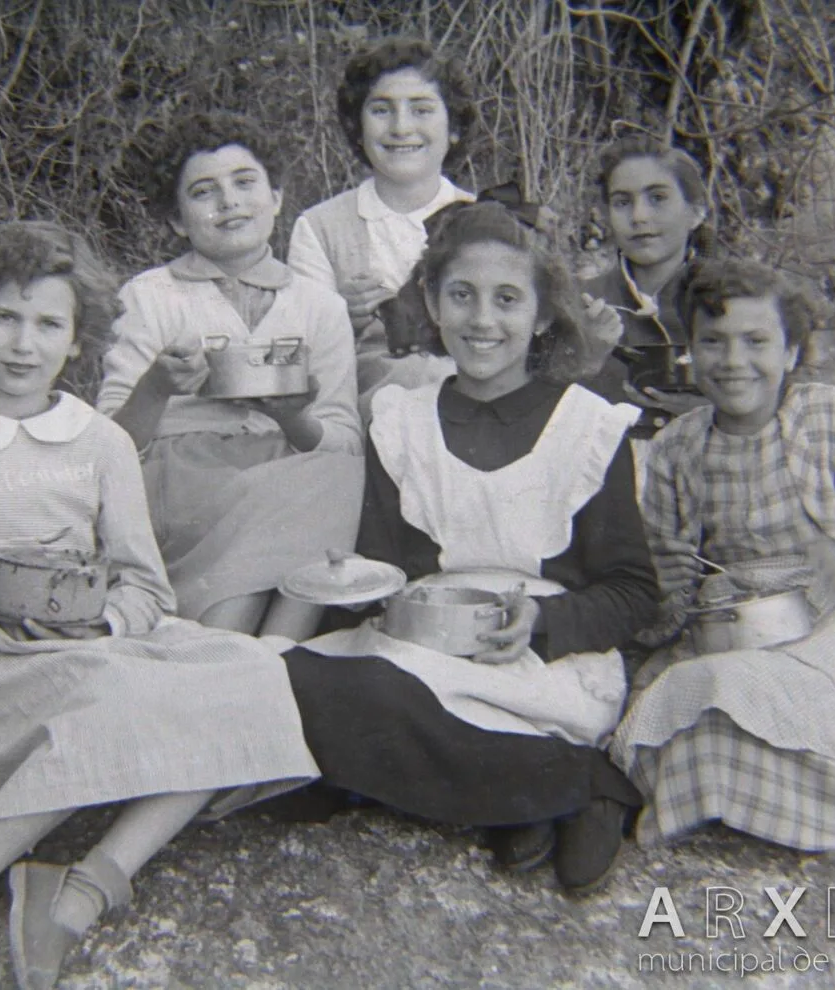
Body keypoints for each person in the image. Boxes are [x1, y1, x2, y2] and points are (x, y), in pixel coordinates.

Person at [0, 221, 319, 990]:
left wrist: (104, 621)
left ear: (77, 338)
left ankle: (78, 894)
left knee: (252, 671)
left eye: (49, 324)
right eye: (5, 318)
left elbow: (144, 586)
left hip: (77, 638)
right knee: (112, 688)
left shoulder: (99, 443)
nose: (24, 344)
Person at [282, 202, 661, 894]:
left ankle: (577, 781)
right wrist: (353, 593)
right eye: (461, 296)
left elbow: (633, 592)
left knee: (357, 711)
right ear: (431, 302)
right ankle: (524, 791)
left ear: (543, 315)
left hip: (540, 663)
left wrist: (542, 623)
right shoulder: (401, 422)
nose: (482, 321)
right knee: (293, 678)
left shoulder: (588, 428)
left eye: (508, 300)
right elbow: (380, 571)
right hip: (424, 652)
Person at [611, 259, 835, 864]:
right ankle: (749, 790)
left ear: (790, 353)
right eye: (714, 343)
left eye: (756, 342)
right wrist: (668, 582)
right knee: (682, 701)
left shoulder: (830, 416)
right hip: (736, 630)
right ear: (691, 352)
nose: (734, 361)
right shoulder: (678, 447)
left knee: (803, 724)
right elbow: (660, 587)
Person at [96, 112, 362, 641]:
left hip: (287, 473)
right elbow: (108, 442)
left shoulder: (319, 306)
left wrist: (295, 418)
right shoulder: (149, 296)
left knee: (336, 474)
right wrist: (156, 386)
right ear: (177, 220)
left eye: (245, 183)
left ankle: (272, 656)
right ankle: (233, 653)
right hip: (186, 483)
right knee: (292, 496)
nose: (229, 202)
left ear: (278, 197)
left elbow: (344, 437)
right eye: (203, 191)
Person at [287, 37, 477, 416]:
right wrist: (345, 319)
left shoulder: (487, 219)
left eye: (421, 109)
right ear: (358, 129)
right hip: (373, 412)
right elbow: (302, 353)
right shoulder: (319, 228)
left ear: (453, 127)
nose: (401, 127)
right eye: (381, 110)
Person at [578, 137, 715, 442]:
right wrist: (585, 359)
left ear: (696, 212)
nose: (639, 216)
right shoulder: (576, 302)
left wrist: (718, 409)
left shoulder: (737, 303)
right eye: (623, 202)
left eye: (657, 198)